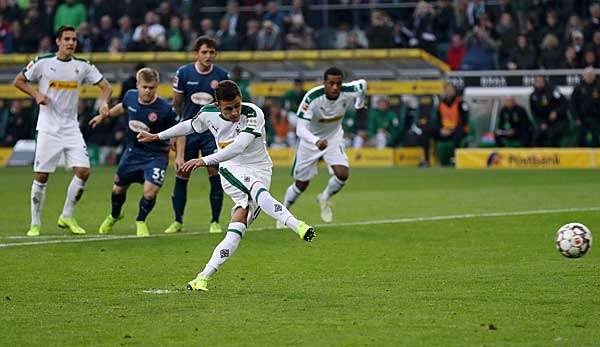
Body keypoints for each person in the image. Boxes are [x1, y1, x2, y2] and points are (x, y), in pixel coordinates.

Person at [137, 80, 316, 292]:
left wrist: (203, 160)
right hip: (230, 167)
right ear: (218, 104)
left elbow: (239, 146)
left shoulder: (253, 113)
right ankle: (298, 225)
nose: (234, 112)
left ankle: (202, 277)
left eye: (237, 106)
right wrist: (158, 136)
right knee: (258, 191)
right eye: (228, 108)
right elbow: (189, 125)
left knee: (236, 228)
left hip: (260, 168)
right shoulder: (207, 113)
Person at [13, 25, 112, 237]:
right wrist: (35, 94)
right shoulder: (43, 62)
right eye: (66, 39)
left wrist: (104, 103)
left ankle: (67, 215)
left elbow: (106, 87)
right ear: (58, 41)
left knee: (84, 171)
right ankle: (35, 223)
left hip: (71, 127)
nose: (71, 43)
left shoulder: (82, 65)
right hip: (48, 127)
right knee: (41, 175)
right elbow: (18, 81)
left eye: (74, 40)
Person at [89, 68, 178, 236]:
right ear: (137, 85)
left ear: (157, 86)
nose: (148, 91)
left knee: (150, 192)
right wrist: (104, 116)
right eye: (144, 87)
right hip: (132, 153)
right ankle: (115, 215)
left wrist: (178, 151)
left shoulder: (165, 109)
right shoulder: (130, 96)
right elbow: (122, 108)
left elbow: (178, 130)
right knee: (118, 189)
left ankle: (141, 220)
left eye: (152, 88)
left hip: (156, 156)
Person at [281, 67, 367, 224]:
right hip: (310, 141)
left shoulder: (349, 90)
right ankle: (283, 214)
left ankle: (324, 198)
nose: (335, 87)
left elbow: (363, 84)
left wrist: (359, 103)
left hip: (333, 138)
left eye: (338, 83)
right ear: (324, 83)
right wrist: (316, 141)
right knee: (301, 185)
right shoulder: (312, 98)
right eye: (331, 83)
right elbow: (300, 129)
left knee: (342, 174)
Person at [168, 36, 229, 235]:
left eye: (211, 52)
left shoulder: (221, 75)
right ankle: (177, 221)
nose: (208, 56)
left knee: (214, 172)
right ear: (197, 53)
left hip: (211, 133)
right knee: (182, 173)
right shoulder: (184, 73)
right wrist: (175, 134)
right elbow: (177, 105)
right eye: (204, 52)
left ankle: (215, 221)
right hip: (189, 131)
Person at [418, 83, 469, 167]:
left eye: (450, 90)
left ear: (454, 91)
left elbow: (464, 121)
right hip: (444, 130)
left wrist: (451, 130)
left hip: (456, 130)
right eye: (447, 90)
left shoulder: (461, 104)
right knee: (426, 131)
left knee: (459, 132)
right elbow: (438, 120)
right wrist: (440, 129)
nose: (448, 92)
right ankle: (426, 160)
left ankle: (454, 159)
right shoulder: (441, 104)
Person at [529, 76, 568, 147]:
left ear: (544, 82)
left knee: (552, 134)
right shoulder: (533, 96)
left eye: (541, 81)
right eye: (537, 82)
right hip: (544, 121)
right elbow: (534, 113)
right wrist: (542, 123)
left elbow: (565, 103)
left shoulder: (553, 91)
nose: (539, 83)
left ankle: (555, 156)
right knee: (536, 135)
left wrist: (556, 112)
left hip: (558, 120)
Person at [571, 67, 600, 147]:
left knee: (596, 138)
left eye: (591, 74)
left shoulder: (598, 87)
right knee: (581, 139)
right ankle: (581, 157)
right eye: (587, 75)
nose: (589, 76)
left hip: (596, 118)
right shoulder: (578, 88)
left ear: (594, 76)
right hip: (581, 119)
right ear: (583, 76)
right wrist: (576, 118)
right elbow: (572, 105)